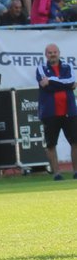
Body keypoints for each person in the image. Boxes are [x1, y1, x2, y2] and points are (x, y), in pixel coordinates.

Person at [37, 43, 77, 181]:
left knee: (75, 142)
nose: (52, 54)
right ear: (46, 54)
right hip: (50, 112)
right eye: (50, 52)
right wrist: (64, 85)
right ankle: (57, 173)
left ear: (59, 53)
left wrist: (52, 81)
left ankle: (76, 171)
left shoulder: (68, 66)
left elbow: (72, 82)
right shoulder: (41, 68)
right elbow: (47, 88)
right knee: (51, 144)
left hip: (69, 111)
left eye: (55, 52)